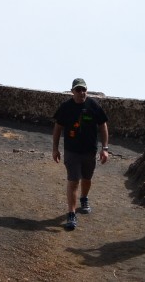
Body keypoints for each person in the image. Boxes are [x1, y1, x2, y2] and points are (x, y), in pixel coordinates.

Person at [52, 78, 109, 231]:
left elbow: (103, 125)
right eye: (78, 90)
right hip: (72, 152)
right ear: (72, 91)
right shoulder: (65, 107)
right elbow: (58, 128)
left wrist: (105, 148)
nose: (81, 92)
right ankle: (71, 214)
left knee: (87, 178)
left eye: (84, 89)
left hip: (89, 151)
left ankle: (84, 198)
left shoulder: (93, 105)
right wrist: (55, 148)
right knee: (73, 180)